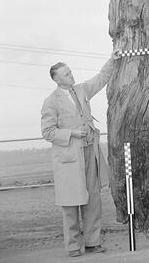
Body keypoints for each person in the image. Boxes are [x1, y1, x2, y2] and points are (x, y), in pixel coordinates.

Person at [41, 50, 120, 257]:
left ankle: (93, 242)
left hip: (90, 153)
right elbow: (47, 132)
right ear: (56, 79)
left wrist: (113, 59)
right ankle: (73, 246)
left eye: (70, 72)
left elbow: (101, 78)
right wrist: (73, 133)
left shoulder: (82, 89)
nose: (71, 76)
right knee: (70, 203)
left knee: (93, 199)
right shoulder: (51, 102)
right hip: (69, 159)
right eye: (66, 74)